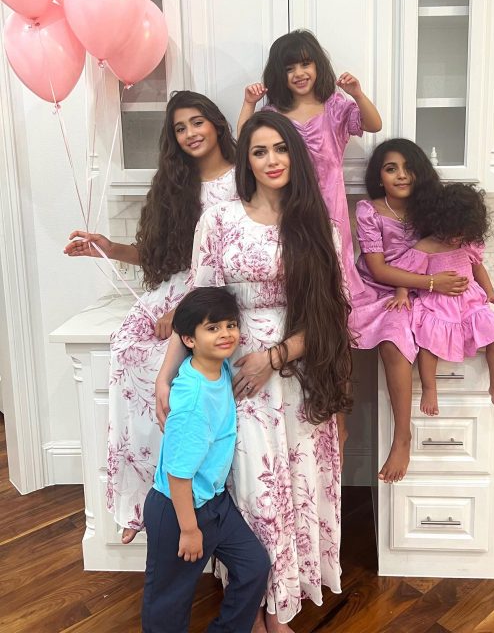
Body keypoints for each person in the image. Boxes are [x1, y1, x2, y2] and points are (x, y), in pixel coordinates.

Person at [156, 111, 353, 633]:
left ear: (296, 155)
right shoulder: (219, 220)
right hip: (233, 376)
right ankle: (255, 606)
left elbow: (332, 314)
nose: (271, 160)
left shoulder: (320, 227)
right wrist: (164, 377)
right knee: (253, 490)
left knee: (295, 485)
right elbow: (195, 306)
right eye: (260, 151)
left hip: (298, 375)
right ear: (247, 160)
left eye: (280, 148)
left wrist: (275, 357)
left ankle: (279, 608)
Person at [63, 91, 238, 544]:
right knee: (125, 351)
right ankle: (139, 500)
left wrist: (184, 312)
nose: (190, 133)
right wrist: (108, 247)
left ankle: (181, 491)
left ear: (217, 123)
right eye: (180, 128)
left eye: (197, 122)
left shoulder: (243, 179)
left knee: (173, 373)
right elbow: (158, 253)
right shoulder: (174, 184)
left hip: (216, 292)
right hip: (175, 289)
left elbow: (231, 256)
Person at [142, 287, 270, 633]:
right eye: (212, 328)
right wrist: (188, 529)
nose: (226, 334)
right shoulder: (193, 403)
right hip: (178, 509)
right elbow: (178, 475)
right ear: (189, 339)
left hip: (214, 502)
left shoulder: (217, 367)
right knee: (169, 600)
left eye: (230, 325)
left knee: (254, 566)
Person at [237, 29, 382, 331]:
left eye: (305, 64)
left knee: (331, 271)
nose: (299, 73)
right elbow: (246, 143)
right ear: (279, 74)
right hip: (289, 204)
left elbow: (374, 124)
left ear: (317, 65)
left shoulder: (335, 106)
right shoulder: (274, 113)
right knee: (294, 268)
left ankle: (333, 336)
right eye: (289, 68)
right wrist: (249, 104)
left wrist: (356, 93)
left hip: (330, 206)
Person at [354, 139, 469, 483]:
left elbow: (465, 246)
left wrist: (481, 290)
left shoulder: (431, 208)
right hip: (378, 289)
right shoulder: (369, 210)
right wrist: (431, 283)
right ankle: (378, 435)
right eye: (391, 169)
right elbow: (377, 270)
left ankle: (403, 436)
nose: (401, 175)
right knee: (373, 340)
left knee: (405, 337)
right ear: (379, 177)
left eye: (408, 168)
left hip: (420, 291)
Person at [392, 183, 494, 416]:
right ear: (439, 223)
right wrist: (401, 293)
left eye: (462, 234)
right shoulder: (426, 246)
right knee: (429, 343)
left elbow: (478, 269)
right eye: (452, 233)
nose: (456, 238)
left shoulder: (467, 244)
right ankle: (430, 389)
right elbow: (407, 272)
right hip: (438, 304)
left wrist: (490, 292)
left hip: (469, 302)